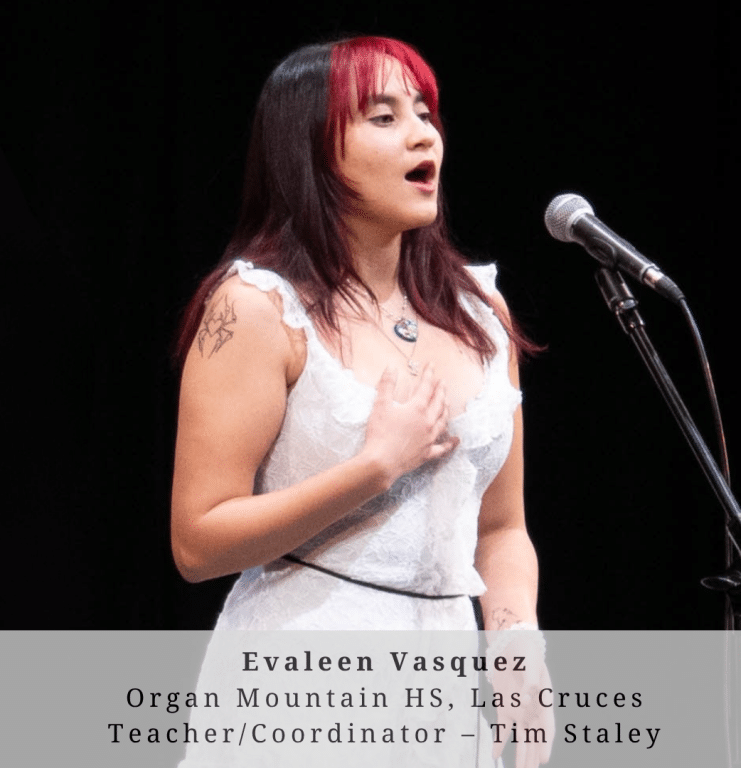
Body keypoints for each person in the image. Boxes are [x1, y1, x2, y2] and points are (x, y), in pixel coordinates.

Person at [172, 36, 552, 766]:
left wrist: (515, 645)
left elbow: (502, 529)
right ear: (310, 149)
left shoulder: (481, 313)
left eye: (424, 113)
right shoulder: (256, 308)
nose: (421, 134)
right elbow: (197, 541)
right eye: (383, 117)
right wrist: (374, 466)